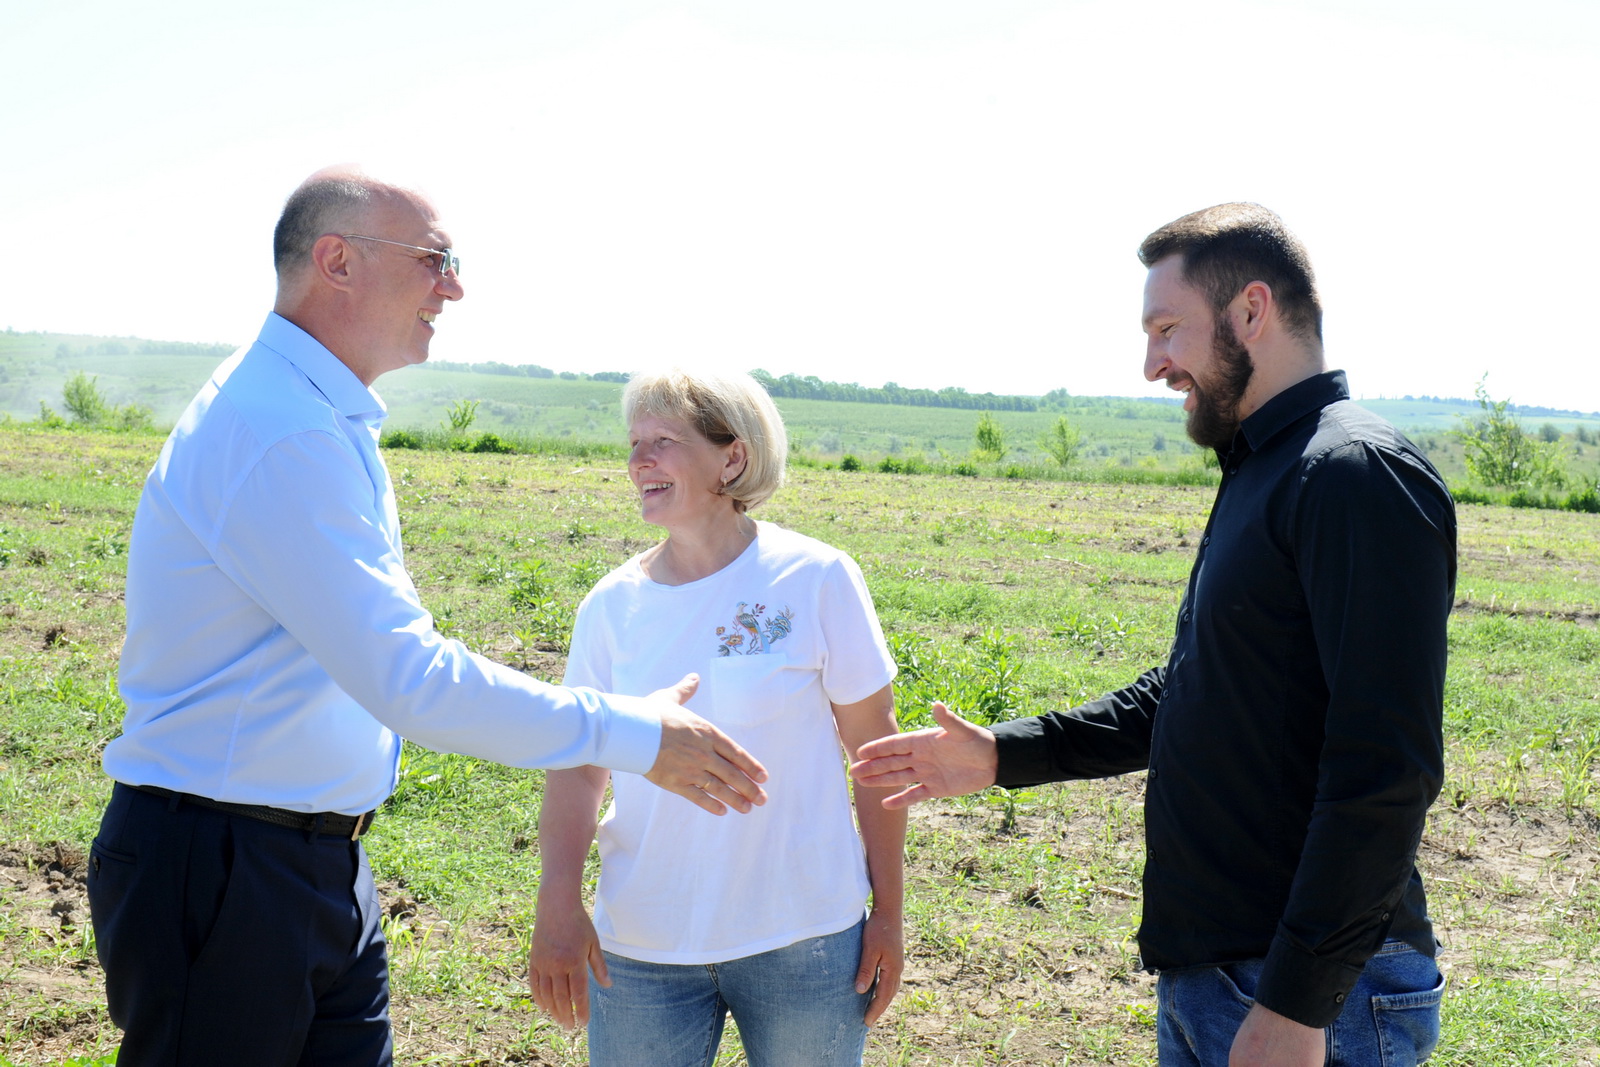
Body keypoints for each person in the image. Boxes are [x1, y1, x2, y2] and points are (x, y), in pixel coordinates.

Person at [86, 166, 768, 1067]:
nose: (453, 288)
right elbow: (409, 679)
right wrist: (633, 732)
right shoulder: (280, 431)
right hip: (229, 868)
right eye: (435, 260)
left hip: (303, 861)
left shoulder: (311, 416)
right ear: (337, 261)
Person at [851, 203, 1456, 1067]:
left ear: (1252, 310)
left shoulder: (1352, 474)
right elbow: (1195, 688)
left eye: (1167, 329)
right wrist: (1000, 754)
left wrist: (1296, 1001)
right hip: (1226, 977)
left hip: (1314, 995)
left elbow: (1388, 768)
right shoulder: (1269, 465)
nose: (1152, 365)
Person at [528, 367, 906, 1066]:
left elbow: (876, 755)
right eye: (634, 443)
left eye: (663, 442)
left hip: (805, 937)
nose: (639, 461)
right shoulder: (610, 606)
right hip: (642, 944)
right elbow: (578, 769)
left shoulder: (815, 577)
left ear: (732, 458)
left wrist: (888, 913)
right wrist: (557, 902)